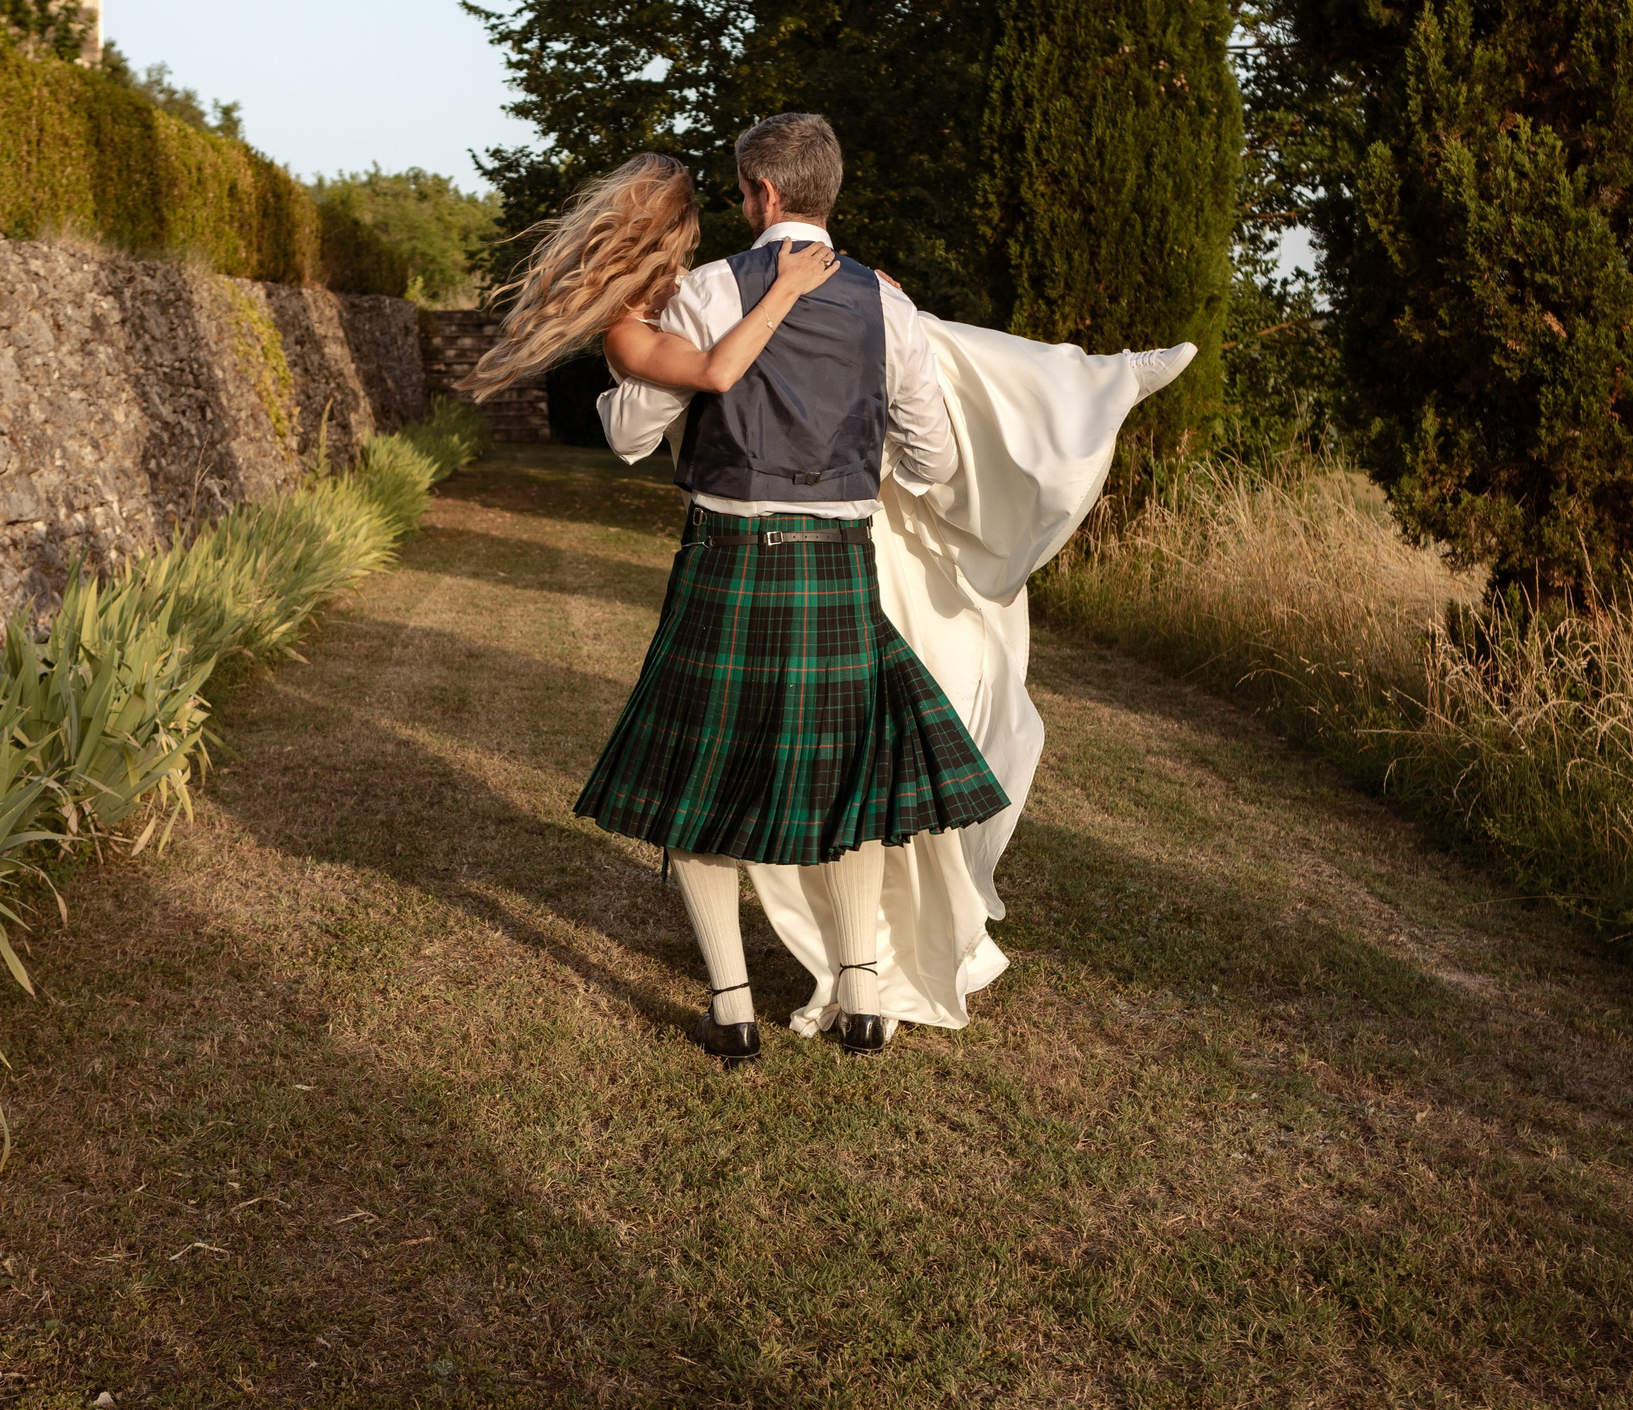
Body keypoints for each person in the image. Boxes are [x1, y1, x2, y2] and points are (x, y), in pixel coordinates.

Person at [463, 114, 1195, 1063]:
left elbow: (633, 433)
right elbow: (930, 457)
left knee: (699, 780)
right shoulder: (881, 303)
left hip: (727, 562)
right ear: (822, 193)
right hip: (837, 566)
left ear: (760, 193)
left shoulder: (706, 292)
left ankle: (730, 1007)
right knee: (853, 776)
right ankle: (860, 995)